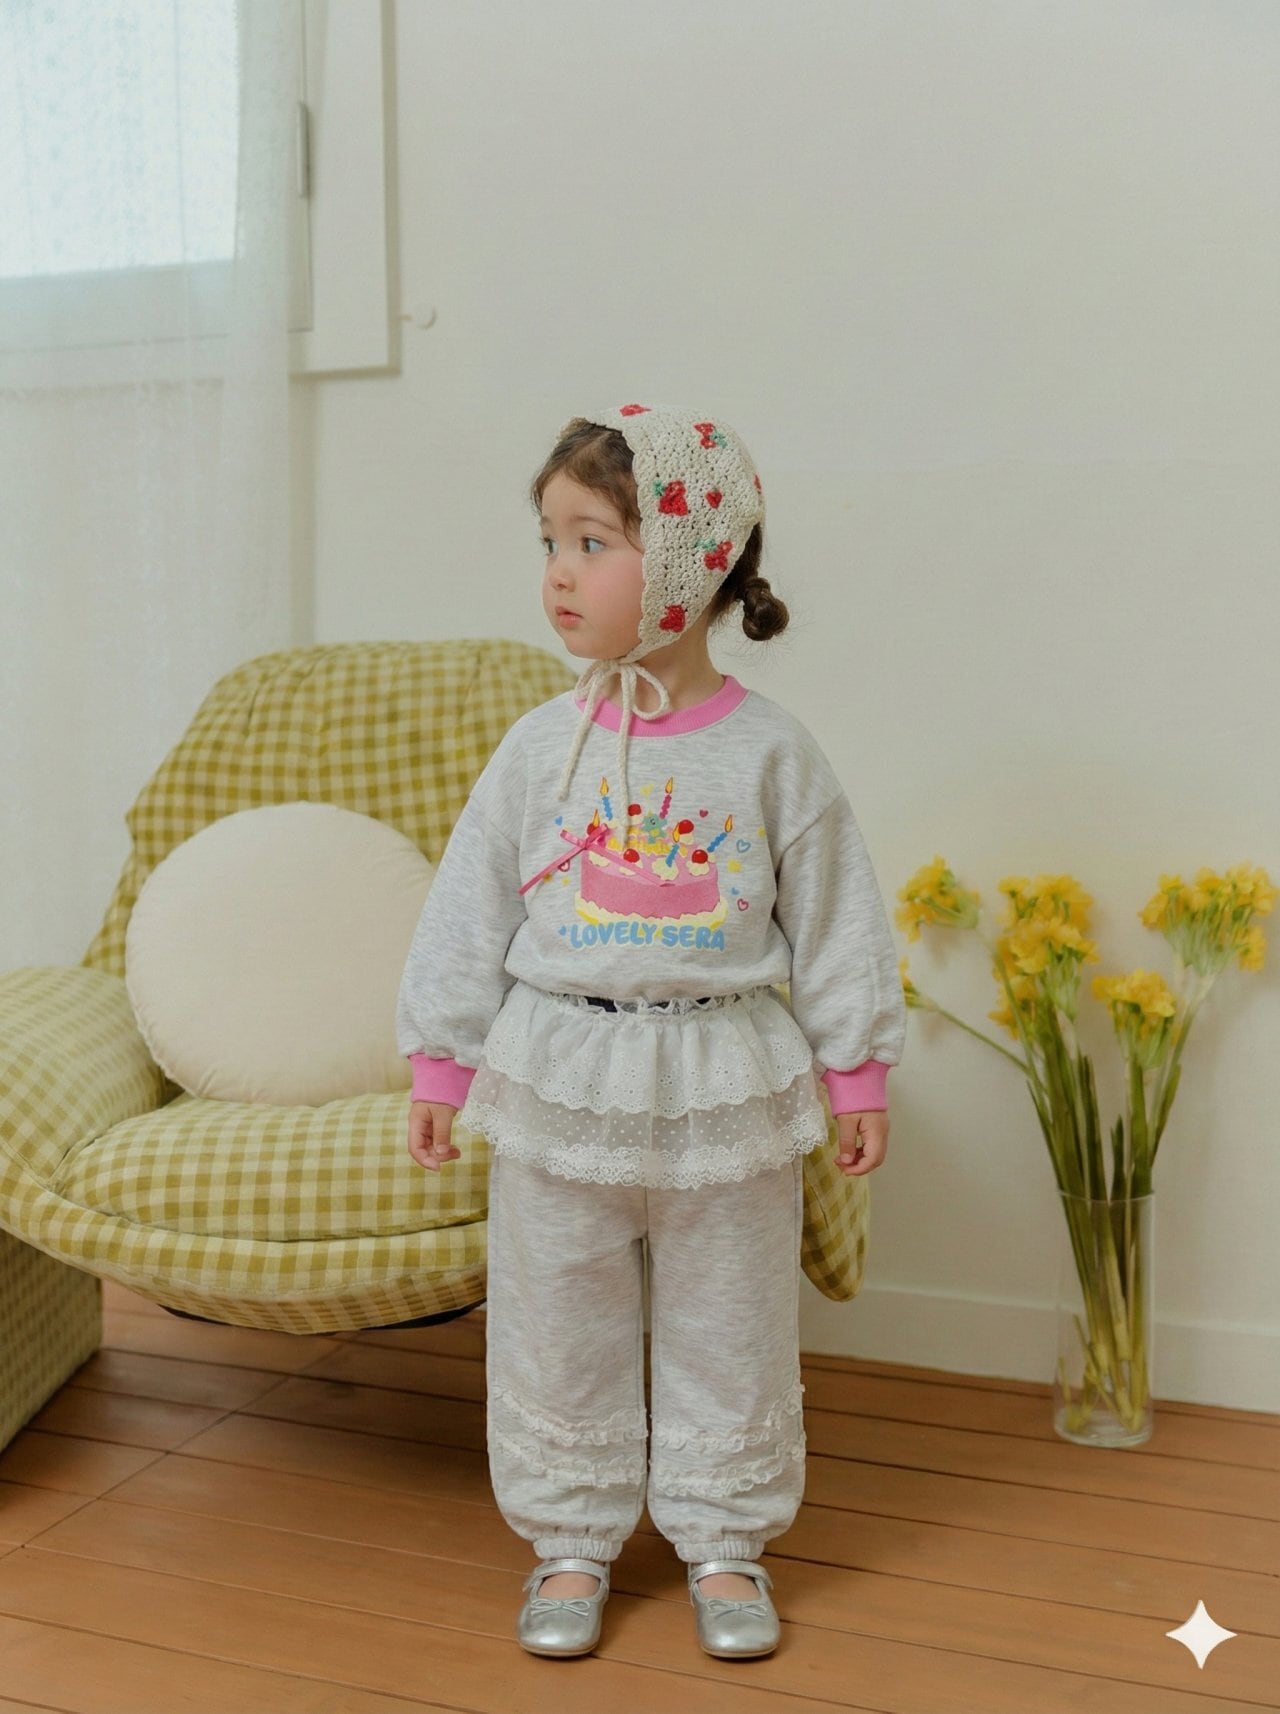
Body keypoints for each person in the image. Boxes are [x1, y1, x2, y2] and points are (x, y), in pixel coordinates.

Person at [396, 402, 906, 1660]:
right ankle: (569, 1538)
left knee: (729, 1321)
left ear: (684, 565)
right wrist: (439, 1060)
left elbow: (837, 915)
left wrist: (853, 1071)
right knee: (552, 1314)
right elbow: (468, 905)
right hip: (559, 1075)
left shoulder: (771, 753)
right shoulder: (540, 750)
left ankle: (724, 1539)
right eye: (549, 542)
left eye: (591, 542)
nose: (557, 574)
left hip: (720, 1077)